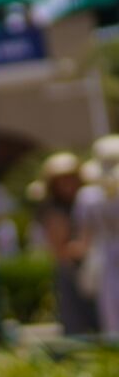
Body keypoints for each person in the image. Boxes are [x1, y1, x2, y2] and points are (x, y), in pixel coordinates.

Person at [35, 152, 95, 336]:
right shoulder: (53, 210)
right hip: (72, 272)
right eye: (62, 180)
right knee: (77, 324)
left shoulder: (87, 201)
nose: (68, 184)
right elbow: (62, 251)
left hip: (94, 268)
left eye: (71, 178)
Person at [73, 137, 119, 335]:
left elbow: (84, 239)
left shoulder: (88, 196)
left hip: (105, 257)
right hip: (106, 257)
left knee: (111, 316)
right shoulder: (90, 196)